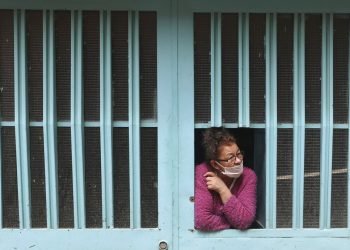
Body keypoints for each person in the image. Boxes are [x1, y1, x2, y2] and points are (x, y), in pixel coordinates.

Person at [194, 127, 257, 231]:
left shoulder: (248, 176)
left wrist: (223, 189)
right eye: (230, 158)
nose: (238, 161)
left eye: (239, 154)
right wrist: (233, 223)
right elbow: (201, 220)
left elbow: (245, 220)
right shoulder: (202, 173)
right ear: (215, 164)